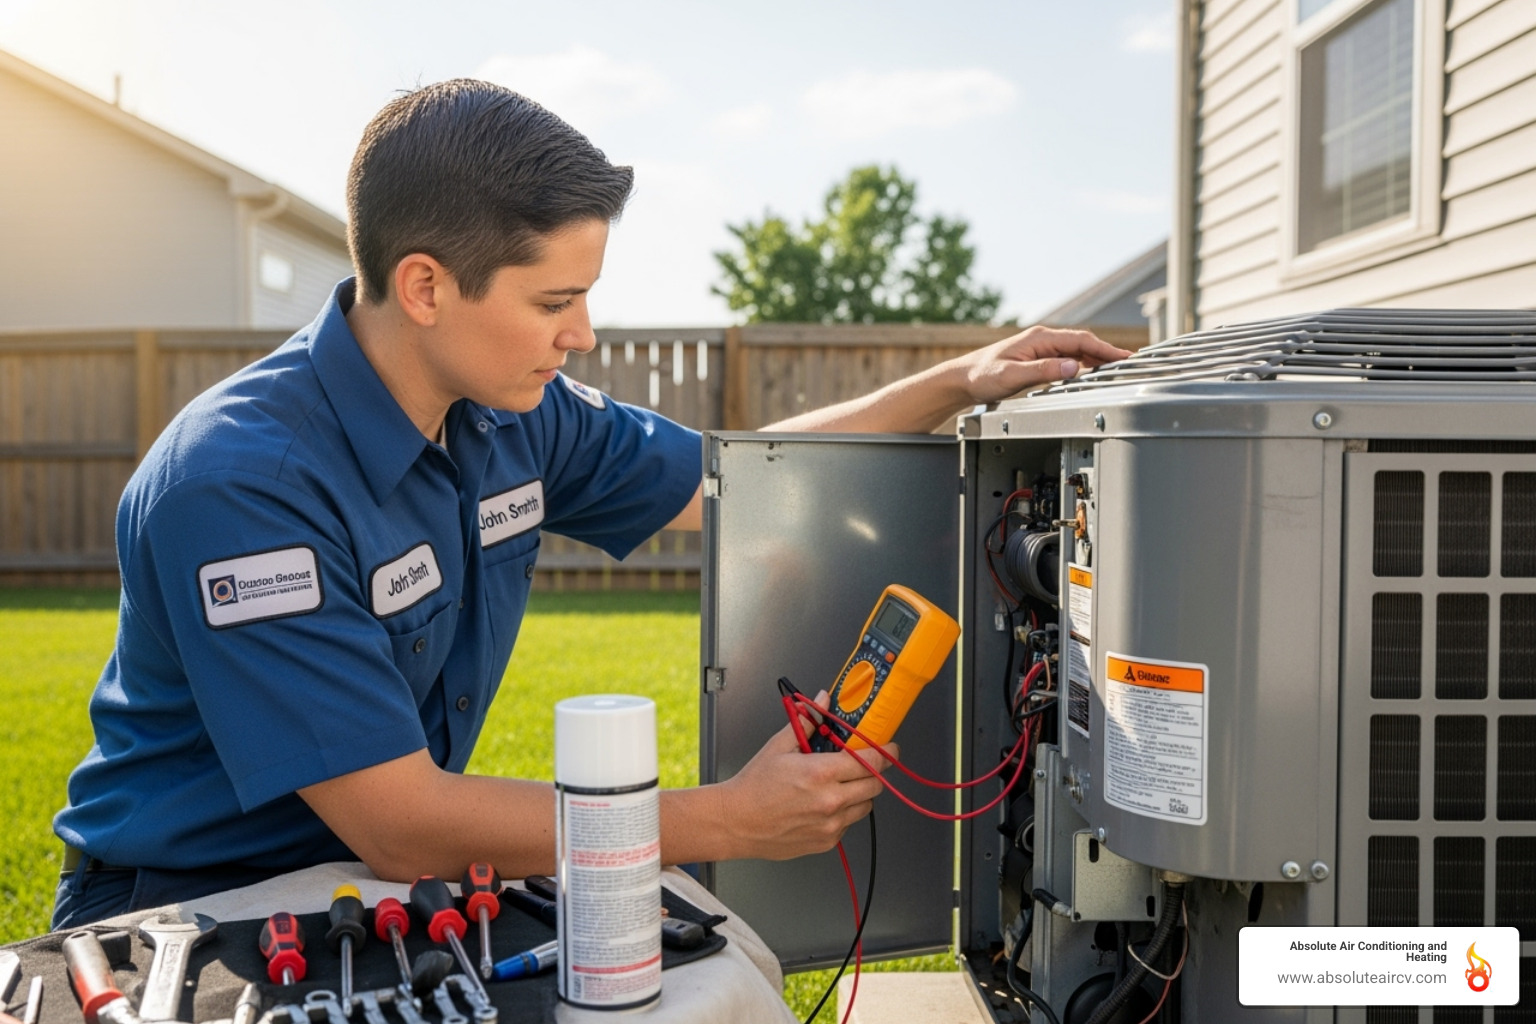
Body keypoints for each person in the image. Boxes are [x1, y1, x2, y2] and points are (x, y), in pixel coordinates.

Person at [51, 79, 1130, 929]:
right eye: (555, 301)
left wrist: (956, 382)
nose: (586, 336)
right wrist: (725, 822)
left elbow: (739, 479)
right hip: (182, 907)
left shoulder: (515, 415)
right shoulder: (242, 486)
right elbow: (403, 822)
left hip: (361, 889)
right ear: (425, 287)